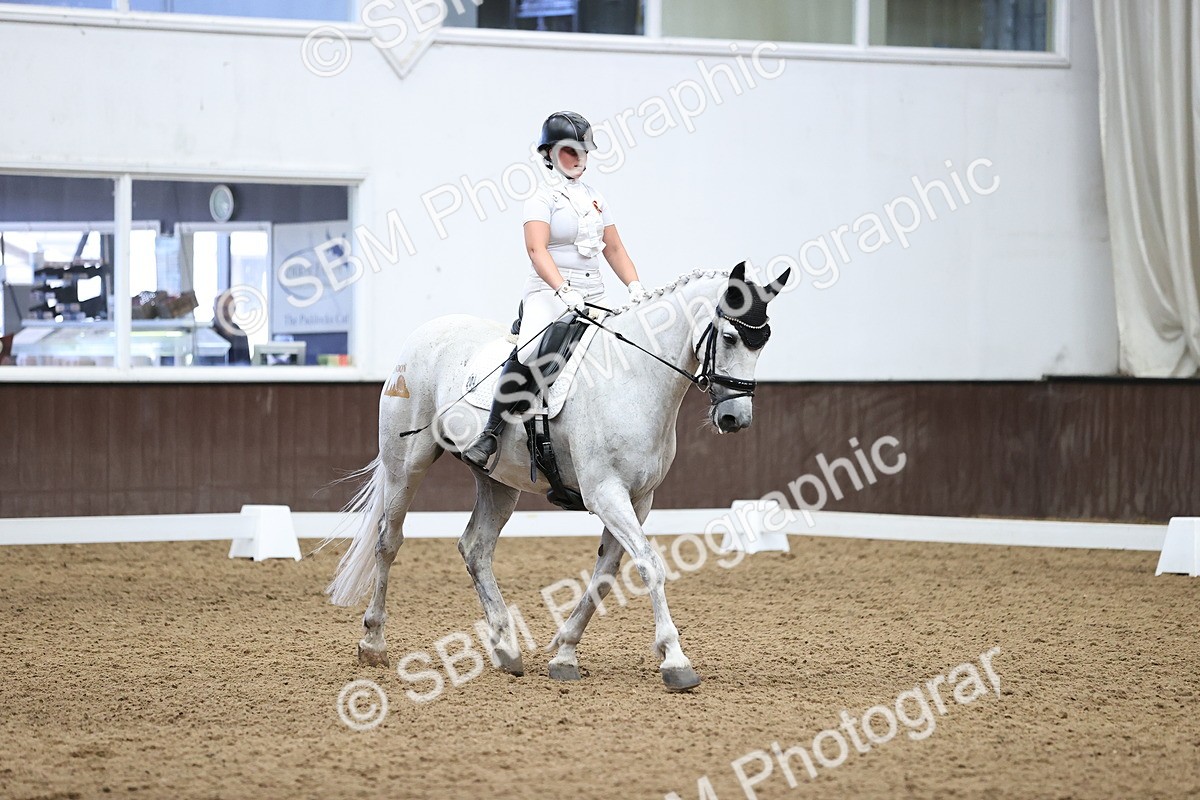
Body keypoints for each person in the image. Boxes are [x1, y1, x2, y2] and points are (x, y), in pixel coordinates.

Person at [462, 110, 649, 471]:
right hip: (549, 292)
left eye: (583, 151)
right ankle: (491, 432)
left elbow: (614, 248)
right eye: (569, 151)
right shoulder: (540, 198)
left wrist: (634, 285)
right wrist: (561, 289)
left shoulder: (596, 198)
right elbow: (536, 250)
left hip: (594, 292)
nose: (578, 159)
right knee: (532, 347)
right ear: (549, 153)